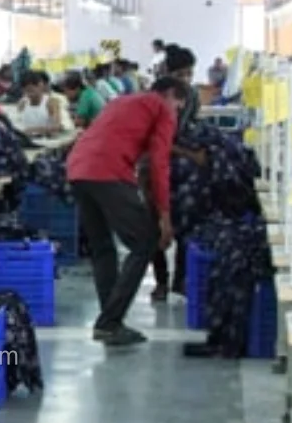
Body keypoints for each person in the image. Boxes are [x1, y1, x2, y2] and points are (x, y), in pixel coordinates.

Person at [66, 77, 189, 347]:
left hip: (77, 168)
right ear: (170, 94)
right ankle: (109, 322)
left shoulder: (121, 101)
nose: (177, 112)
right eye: (178, 106)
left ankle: (110, 322)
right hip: (108, 172)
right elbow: (159, 164)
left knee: (102, 248)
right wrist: (165, 216)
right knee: (145, 242)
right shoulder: (162, 108)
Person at [150, 45, 201, 301]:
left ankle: (179, 280)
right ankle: (162, 281)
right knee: (154, 225)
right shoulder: (157, 95)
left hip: (181, 168)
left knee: (184, 223)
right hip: (158, 163)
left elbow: (187, 127)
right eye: (181, 75)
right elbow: (156, 138)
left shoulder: (191, 95)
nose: (186, 80)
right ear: (168, 73)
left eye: (189, 74)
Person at [14, 71, 65, 136]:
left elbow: (57, 126)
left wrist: (33, 130)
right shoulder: (22, 103)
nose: (29, 95)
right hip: (28, 138)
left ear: (40, 85)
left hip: (48, 139)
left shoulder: (51, 102)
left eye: (31, 90)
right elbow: (18, 124)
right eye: (26, 91)